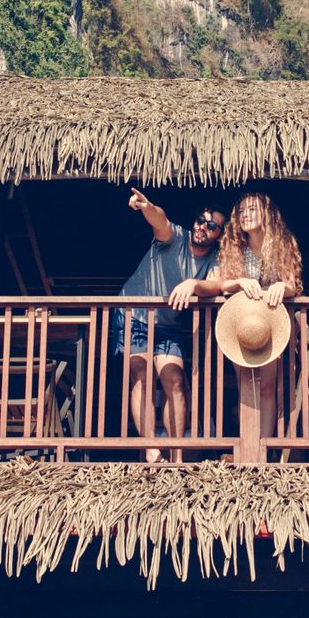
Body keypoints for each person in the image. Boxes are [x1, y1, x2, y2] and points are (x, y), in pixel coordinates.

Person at [179, 191, 303, 438]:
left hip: (269, 322)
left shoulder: (282, 243)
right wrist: (240, 282)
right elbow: (223, 283)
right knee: (245, 383)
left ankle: (263, 447)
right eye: (242, 211)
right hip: (241, 322)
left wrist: (282, 287)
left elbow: (294, 285)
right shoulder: (234, 245)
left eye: (253, 209)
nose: (246, 215)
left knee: (267, 386)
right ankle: (248, 446)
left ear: (266, 214)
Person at [117, 188, 225, 461]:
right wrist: (146, 206)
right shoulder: (176, 237)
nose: (203, 227)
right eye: (201, 221)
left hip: (168, 325)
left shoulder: (214, 259)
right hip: (135, 315)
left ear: (220, 234)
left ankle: (177, 456)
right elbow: (160, 221)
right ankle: (153, 452)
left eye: (212, 226)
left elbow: (216, 283)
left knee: (174, 380)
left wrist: (193, 283)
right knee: (141, 375)